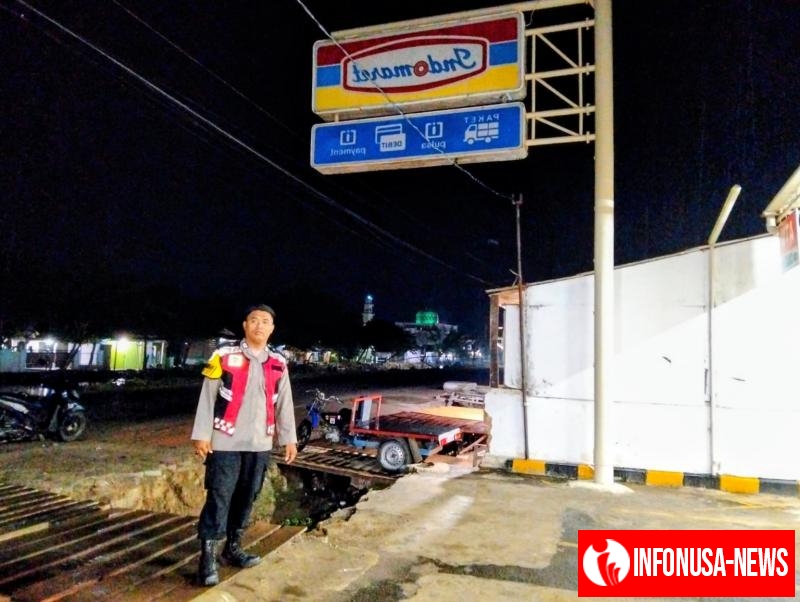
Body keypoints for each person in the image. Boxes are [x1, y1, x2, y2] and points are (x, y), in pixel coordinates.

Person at [191, 304, 298, 586]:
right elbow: (208, 395)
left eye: (265, 322)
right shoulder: (223, 355)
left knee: (247, 496)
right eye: (254, 320)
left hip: (260, 442)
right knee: (219, 496)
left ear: (272, 329)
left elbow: (285, 402)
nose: (259, 326)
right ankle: (207, 558)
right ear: (244, 325)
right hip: (225, 441)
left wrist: (289, 438)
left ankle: (232, 548)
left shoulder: (278, 362)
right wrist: (201, 433)